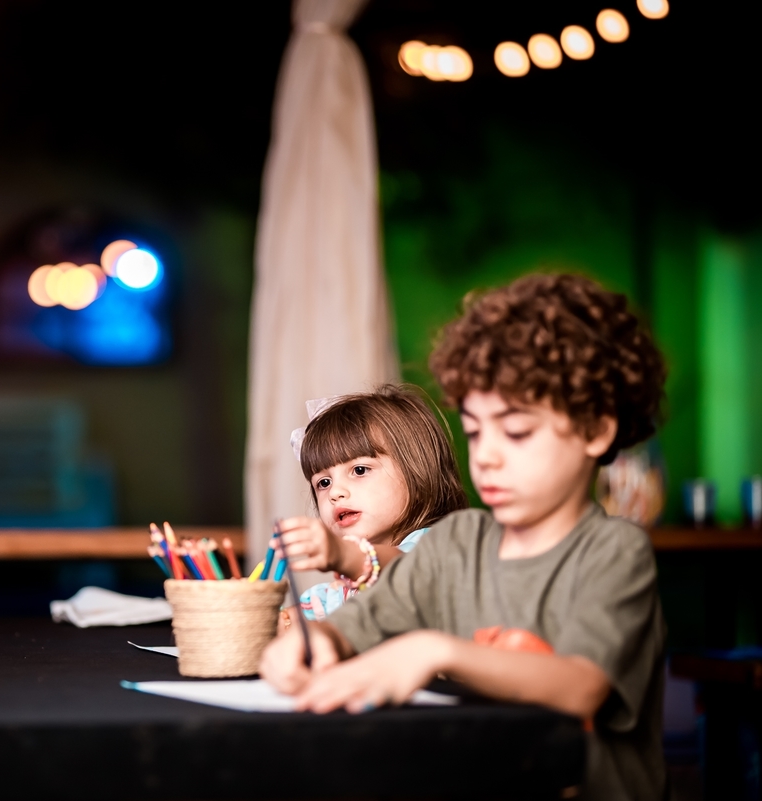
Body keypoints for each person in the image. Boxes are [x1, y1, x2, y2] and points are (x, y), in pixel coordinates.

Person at [260, 274, 668, 801]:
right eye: (476, 431)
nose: (488, 455)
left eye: (516, 432)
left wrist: (434, 651)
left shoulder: (615, 552)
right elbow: (358, 621)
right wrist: (308, 644)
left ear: (595, 431)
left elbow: (580, 686)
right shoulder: (458, 542)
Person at [277, 386, 468, 619]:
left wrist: (345, 555)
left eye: (359, 470)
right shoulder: (334, 594)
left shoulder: (439, 547)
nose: (335, 492)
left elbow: (406, 571)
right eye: (324, 482)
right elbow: (283, 622)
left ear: (418, 475)